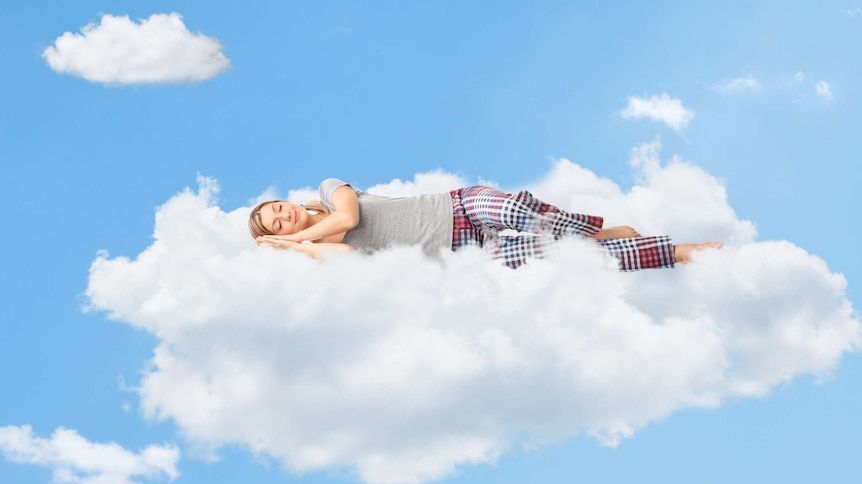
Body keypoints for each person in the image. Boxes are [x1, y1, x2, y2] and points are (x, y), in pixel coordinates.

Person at [248, 178, 721, 270]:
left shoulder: (331, 190)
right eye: (278, 226)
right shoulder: (319, 251)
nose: (284, 216)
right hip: (467, 256)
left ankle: (591, 228)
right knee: (573, 260)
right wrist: (296, 250)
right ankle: (676, 251)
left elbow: (348, 219)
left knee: (517, 212)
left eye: (278, 208)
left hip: (461, 206)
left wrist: (297, 237)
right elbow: (348, 254)